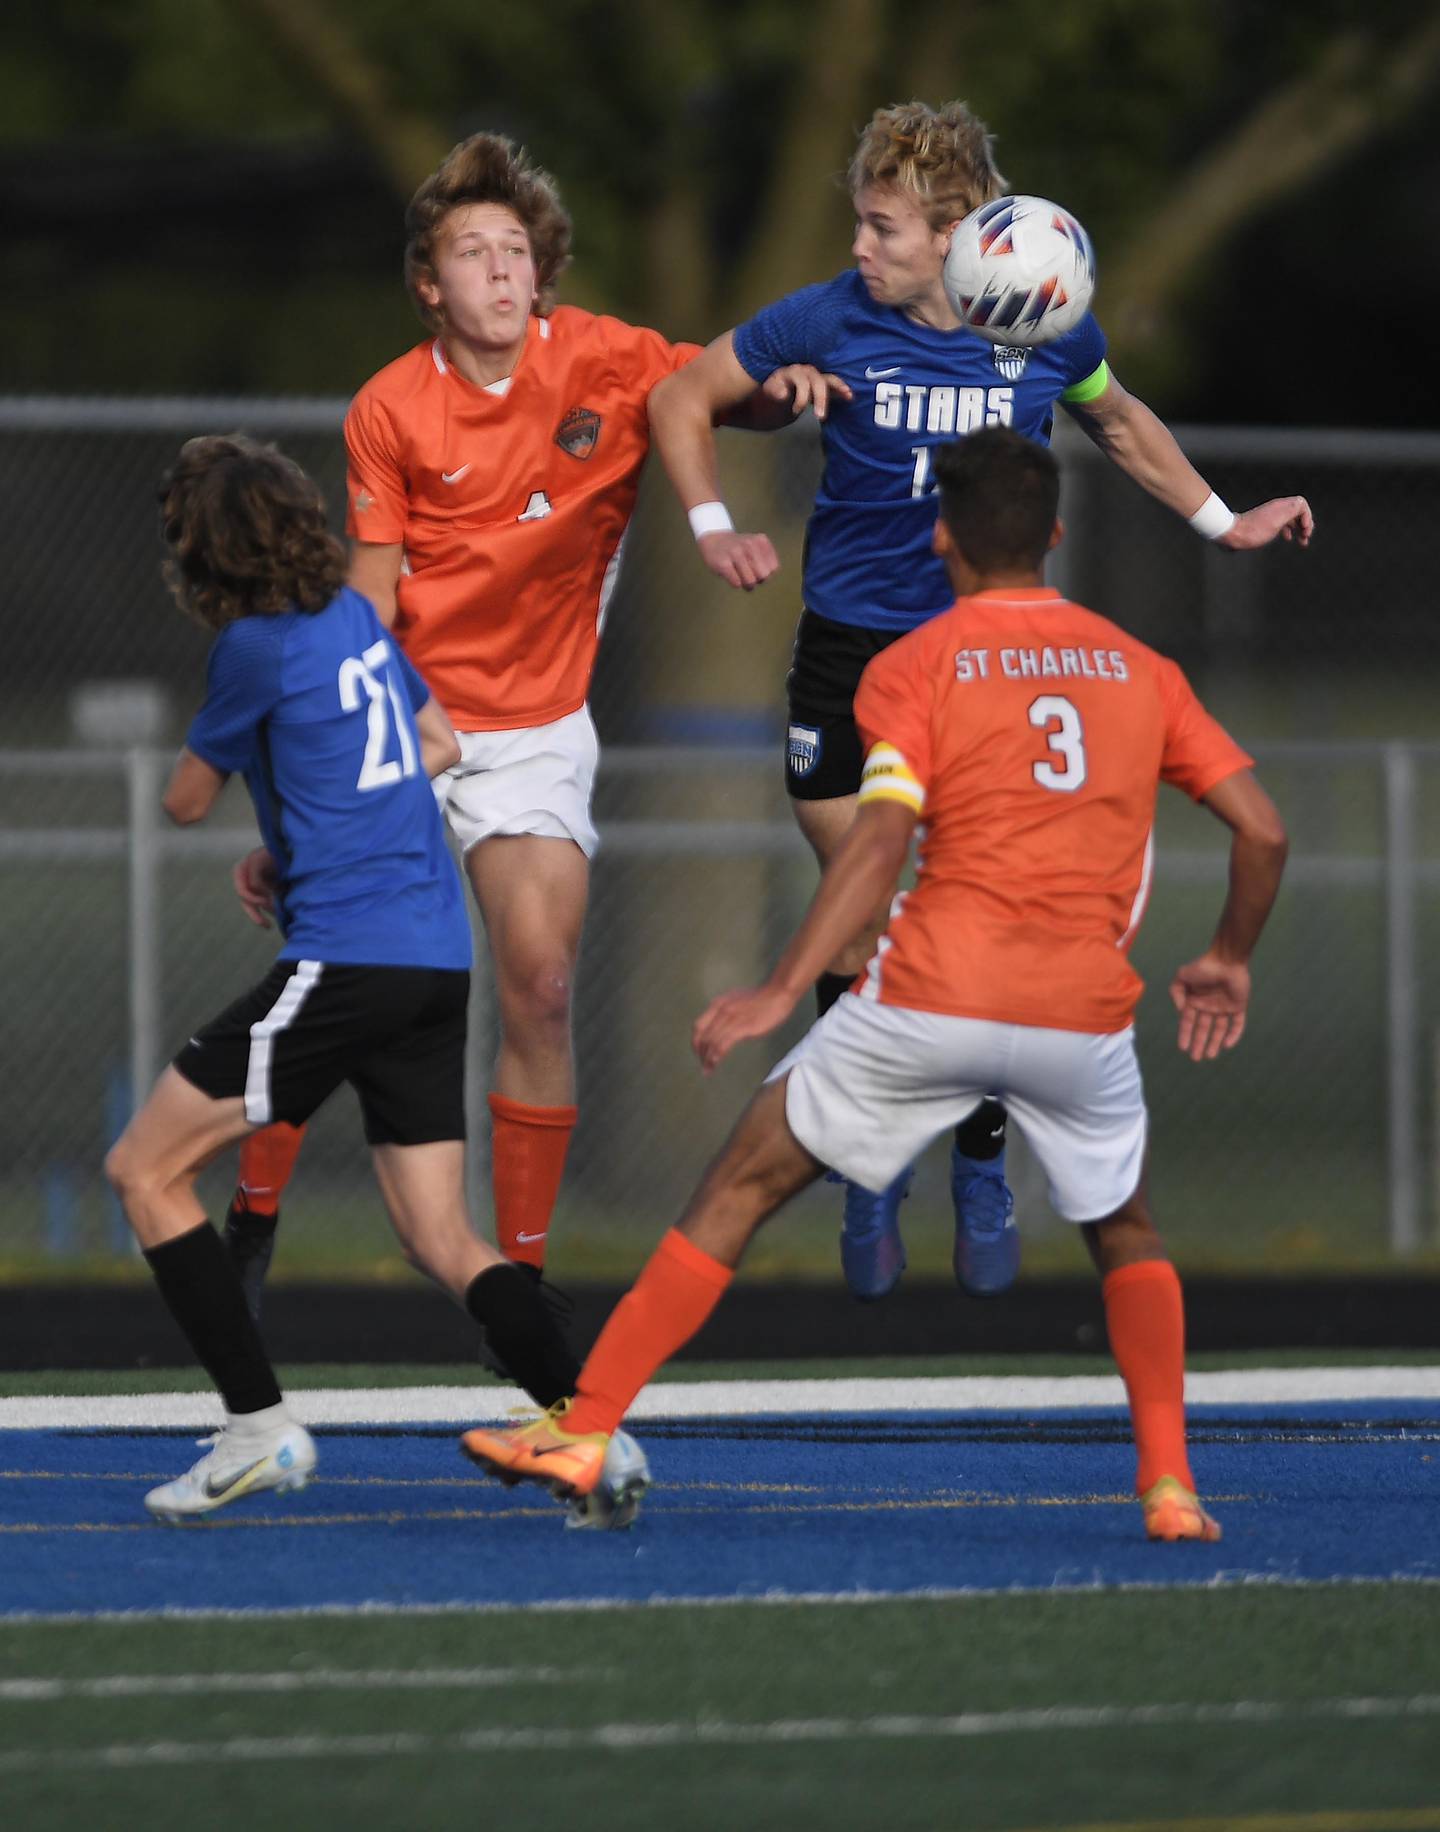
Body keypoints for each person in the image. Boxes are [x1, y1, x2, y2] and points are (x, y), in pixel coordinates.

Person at [459, 426, 1290, 1545]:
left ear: (942, 537)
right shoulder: (1144, 670)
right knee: (1127, 1230)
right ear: (1051, 533)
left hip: (929, 1002)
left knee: (738, 1185)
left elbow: (876, 841)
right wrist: (1227, 955)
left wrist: (781, 983)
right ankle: (1171, 1485)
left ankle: (584, 1424)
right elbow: (1264, 829)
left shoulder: (915, 664)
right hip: (1078, 1019)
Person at [646, 98, 1311, 1304]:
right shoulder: (826, 317)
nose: (859, 247)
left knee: (983, 921)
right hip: (848, 659)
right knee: (859, 919)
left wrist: (1226, 519)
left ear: (956, 232)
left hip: (987, 667)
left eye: (883, 228)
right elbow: (682, 395)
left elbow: (1119, 422)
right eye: (858, 221)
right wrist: (713, 525)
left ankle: (984, 1156)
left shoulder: (1041, 316)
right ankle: (868, 1155)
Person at [223, 130, 820, 1316]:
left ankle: (523, 1281)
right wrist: (350, 752)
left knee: (541, 983)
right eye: (469, 252)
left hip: (540, 726)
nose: (499, 270)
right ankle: (254, 1206)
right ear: (428, 285)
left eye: (515, 250)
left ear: (539, 275)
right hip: (412, 709)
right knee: (340, 977)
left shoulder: (605, 357)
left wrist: (779, 392)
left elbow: (708, 392)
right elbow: (372, 599)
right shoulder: (390, 410)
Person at [105, 433, 646, 1526]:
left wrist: (274, 823)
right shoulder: (355, 617)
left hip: (346, 957)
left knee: (143, 1168)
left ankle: (256, 1428)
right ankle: (594, 1428)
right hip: (433, 958)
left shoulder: (251, 648)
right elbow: (437, 742)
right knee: (440, 1235)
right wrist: (299, 840)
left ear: (207, 554)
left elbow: (183, 801)